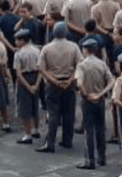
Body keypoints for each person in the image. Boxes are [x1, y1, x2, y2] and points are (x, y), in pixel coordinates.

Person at [37, 21, 82, 153]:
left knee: (53, 114)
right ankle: (67, 140)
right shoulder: (74, 47)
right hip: (69, 83)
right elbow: (80, 66)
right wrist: (70, 79)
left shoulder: (47, 48)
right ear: (66, 32)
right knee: (69, 113)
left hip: (52, 84)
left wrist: (53, 80)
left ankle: (50, 142)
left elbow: (40, 68)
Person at [75, 38, 113, 170]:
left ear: (85, 50)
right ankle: (102, 157)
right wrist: (101, 93)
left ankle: (89, 160)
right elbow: (111, 81)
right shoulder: (102, 64)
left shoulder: (82, 65)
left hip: (87, 101)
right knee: (100, 129)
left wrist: (85, 94)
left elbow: (79, 82)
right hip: (100, 100)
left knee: (88, 131)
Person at [12, 29, 42, 144]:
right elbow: (41, 69)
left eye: (17, 40)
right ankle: (36, 129)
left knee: (24, 108)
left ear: (23, 40)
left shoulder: (19, 54)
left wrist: (28, 87)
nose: (15, 42)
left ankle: (27, 134)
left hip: (24, 79)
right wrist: (36, 84)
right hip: (35, 77)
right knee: (35, 106)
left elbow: (18, 73)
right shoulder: (37, 51)